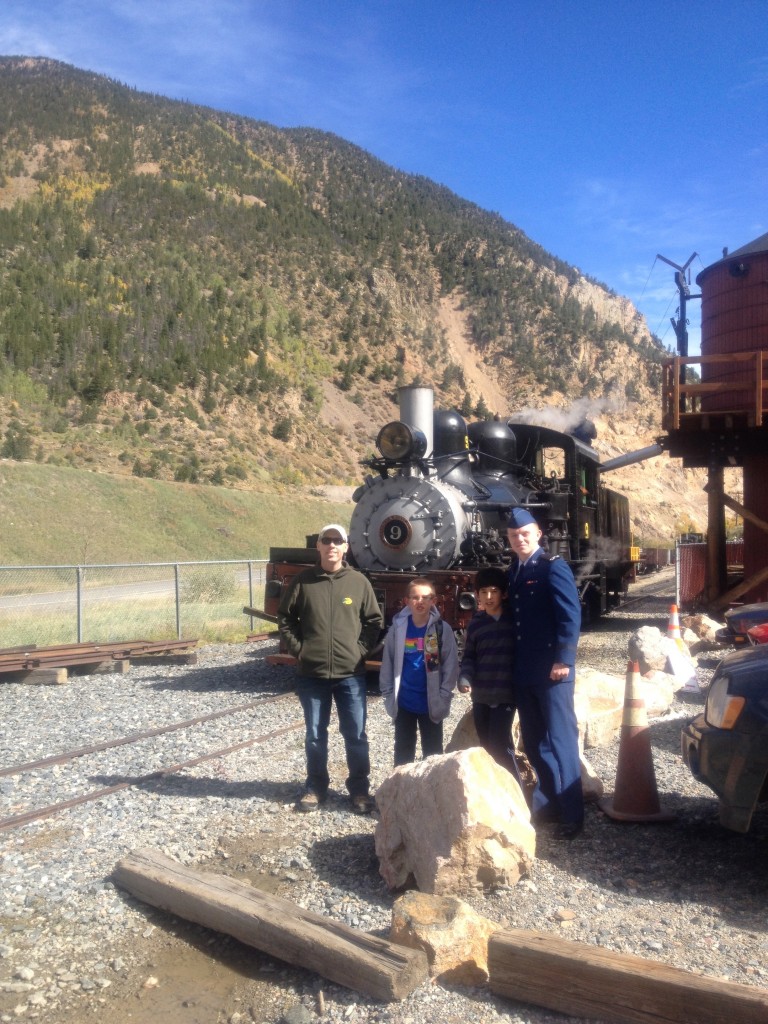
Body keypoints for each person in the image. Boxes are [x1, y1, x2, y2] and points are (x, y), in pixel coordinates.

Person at [277, 523, 383, 813]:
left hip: (351, 675)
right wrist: (301, 650)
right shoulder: (303, 581)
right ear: (319, 546)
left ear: (346, 547)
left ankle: (360, 790)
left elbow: (374, 621)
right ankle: (315, 787)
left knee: (356, 734)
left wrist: (359, 651)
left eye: (338, 540)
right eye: (327, 540)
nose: (332, 545)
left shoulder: (359, 582)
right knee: (314, 733)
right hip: (312, 674)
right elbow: (285, 618)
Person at [506, 507, 584, 840]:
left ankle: (572, 814)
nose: (519, 539)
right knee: (536, 742)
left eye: (525, 533)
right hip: (525, 672)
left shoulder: (554, 568)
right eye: (513, 535)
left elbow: (570, 616)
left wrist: (564, 657)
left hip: (553, 672)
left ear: (538, 534)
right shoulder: (514, 571)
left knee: (562, 741)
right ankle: (548, 803)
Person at [379, 577, 459, 766]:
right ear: (406, 601)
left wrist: (445, 695)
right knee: (403, 752)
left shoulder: (441, 629)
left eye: (425, 597)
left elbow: (450, 665)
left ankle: (430, 794)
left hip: (431, 703)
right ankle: (401, 792)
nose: (420, 602)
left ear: (434, 601)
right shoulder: (398, 629)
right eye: (415, 597)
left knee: (432, 754)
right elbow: (388, 661)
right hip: (404, 702)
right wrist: (388, 693)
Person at [457, 566, 520, 781]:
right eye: (483, 592)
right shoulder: (476, 624)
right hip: (481, 695)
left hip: (506, 694)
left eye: (494, 591)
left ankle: (516, 794)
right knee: (485, 747)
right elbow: (470, 656)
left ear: (504, 594)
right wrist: (465, 677)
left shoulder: (514, 621)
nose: (489, 597)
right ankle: (494, 792)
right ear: (477, 595)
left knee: (501, 745)